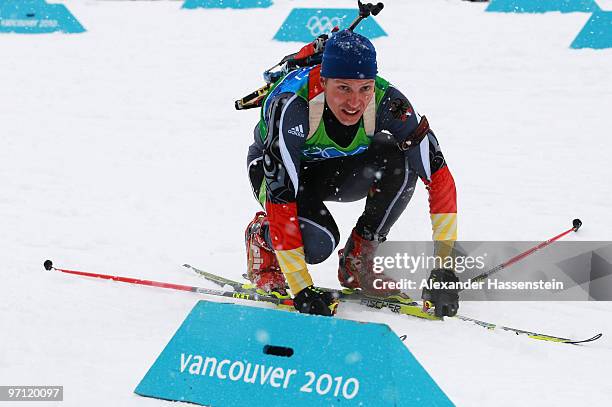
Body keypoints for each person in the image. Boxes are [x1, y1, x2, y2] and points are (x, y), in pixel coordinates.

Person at [244, 30, 458, 317]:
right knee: (319, 243)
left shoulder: (388, 102)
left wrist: (444, 268)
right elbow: (281, 191)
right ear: (323, 81)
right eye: (343, 88)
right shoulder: (292, 104)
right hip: (274, 175)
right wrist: (301, 288)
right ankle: (262, 239)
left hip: (335, 171)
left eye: (364, 88)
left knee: (403, 160)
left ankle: (358, 261)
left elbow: (439, 177)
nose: (355, 102)